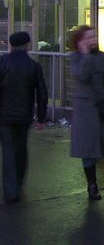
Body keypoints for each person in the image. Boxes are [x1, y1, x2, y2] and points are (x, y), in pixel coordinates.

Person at [69, 26, 104, 200]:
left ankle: (93, 180)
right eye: (88, 37)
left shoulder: (102, 57)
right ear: (79, 41)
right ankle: (92, 184)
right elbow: (81, 76)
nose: (92, 40)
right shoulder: (76, 57)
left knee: (101, 147)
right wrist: (85, 56)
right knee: (88, 149)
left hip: (100, 108)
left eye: (94, 36)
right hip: (84, 111)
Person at [0, 32, 48, 204]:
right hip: (24, 116)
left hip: (4, 116)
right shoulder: (33, 66)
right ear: (27, 45)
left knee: (7, 152)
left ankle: (10, 190)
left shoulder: (3, 62)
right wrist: (41, 118)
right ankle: (18, 184)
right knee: (21, 150)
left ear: (11, 45)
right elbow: (42, 93)